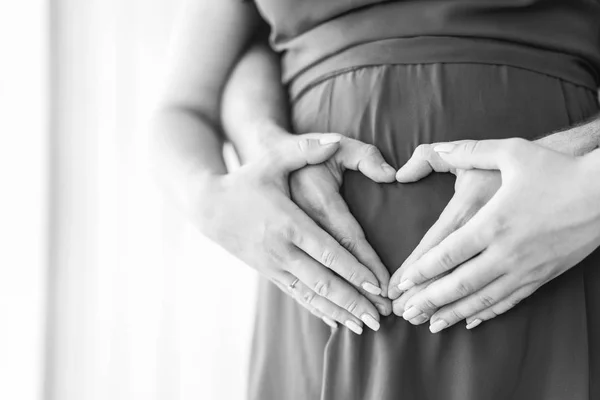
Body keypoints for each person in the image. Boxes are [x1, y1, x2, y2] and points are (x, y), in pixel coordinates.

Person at [150, 1, 600, 399]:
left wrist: (589, 189)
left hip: (554, 263)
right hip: (317, 302)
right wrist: (213, 201)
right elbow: (185, 107)